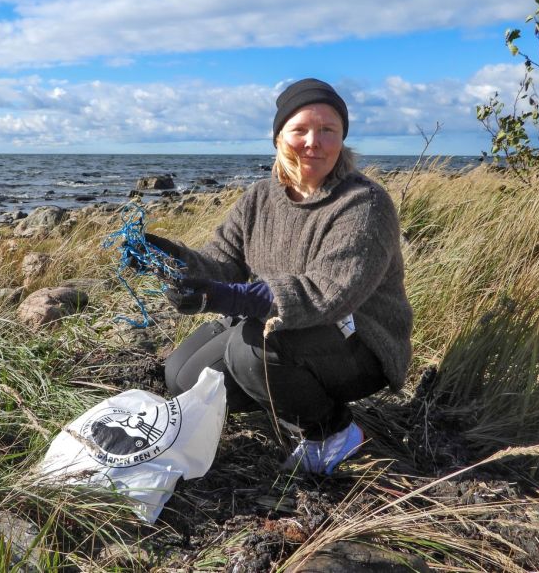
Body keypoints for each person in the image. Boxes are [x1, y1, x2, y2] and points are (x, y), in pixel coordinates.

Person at [139, 78, 413, 475]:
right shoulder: (259, 198)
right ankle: (288, 397)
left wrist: (232, 298)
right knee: (182, 375)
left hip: (360, 344)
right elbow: (222, 262)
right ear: (279, 137)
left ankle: (333, 431)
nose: (313, 142)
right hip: (285, 331)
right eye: (300, 129)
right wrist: (174, 262)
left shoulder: (364, 204)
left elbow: (329, 295)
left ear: (342, 138)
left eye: (328, 130)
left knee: (251, 348)